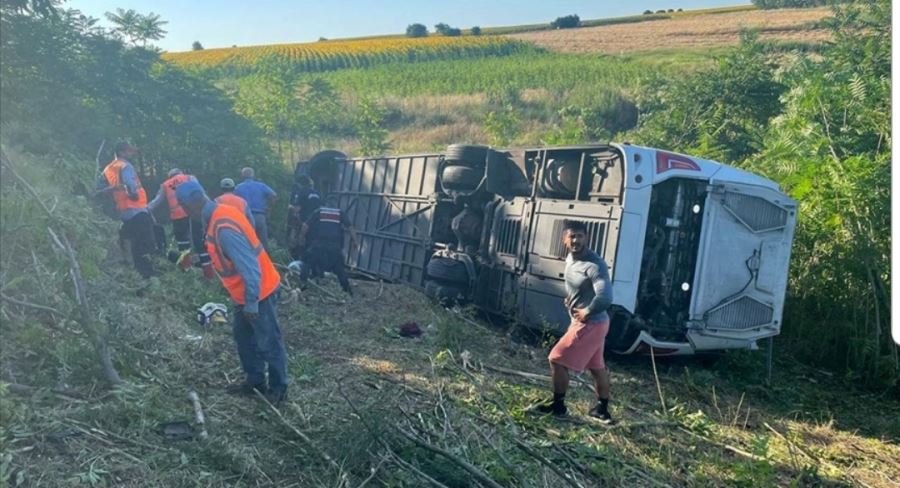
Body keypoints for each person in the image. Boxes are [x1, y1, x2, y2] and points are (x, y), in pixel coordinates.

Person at [176, 180, 289, 405]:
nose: (185, 213)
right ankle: (255, 382)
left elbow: (250, 268)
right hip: (245, 293)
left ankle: (279, 390)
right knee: (243, 337)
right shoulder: (218, 214)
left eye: (184, 208)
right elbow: (226, 257)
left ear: (192, 206)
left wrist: (251, 304)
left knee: (268, 341)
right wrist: (195, 260)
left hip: (258, 292)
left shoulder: (223, 227)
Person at [533, 220, 614, 423]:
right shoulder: (571, 258)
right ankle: (602, 410)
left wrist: (587, 310)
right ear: (564, 239)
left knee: (556, 359)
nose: (576, 240)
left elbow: (605, 298)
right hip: (596, 324)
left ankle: (558, 406)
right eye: (572, 236)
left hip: (591, 323)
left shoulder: (594, 264)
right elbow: (579, 286)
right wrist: (573, 299)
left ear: (587, 238)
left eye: (580, 236)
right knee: (596, 367)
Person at [96, 141, 156, 278]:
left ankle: (138, 275)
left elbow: (98, 191)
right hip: (138, 210)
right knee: (146, 244)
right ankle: (148, 275)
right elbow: (131, 186)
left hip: (124, 213)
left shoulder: (107, 169)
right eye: (129, 151)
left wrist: (113, 189)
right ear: (122, 152)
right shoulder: (126, 166)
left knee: (134, 244)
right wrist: (133, 194)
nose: (132, 153)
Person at [147, 168, 214, 279]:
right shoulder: (189, 177)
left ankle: (187, 269)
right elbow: (201, 193)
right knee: (200, 243)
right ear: (181, 172)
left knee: (183, 245)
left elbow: (157, 201)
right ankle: (208, 272)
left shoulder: (166, 184)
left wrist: (145, 209)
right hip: (194, 212)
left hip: (178, 217)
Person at [298, 196, 358, 295]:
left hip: (318, 245)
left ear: (325, 203)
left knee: (307, 262)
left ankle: (302, 283)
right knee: (339, 268)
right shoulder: (340, 213)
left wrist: (301, 238)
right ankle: (347, 291)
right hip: (334, 247)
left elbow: (305, 225)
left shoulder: (319, 211)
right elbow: (351, 227)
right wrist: (355, 241)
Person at [233, 167, 276, 250]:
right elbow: (273, 195)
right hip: (260, 216)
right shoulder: (261, 185)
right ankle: (263, 261)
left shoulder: (238, 188)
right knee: (263, 243)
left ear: (242, 176)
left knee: (247, 243)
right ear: (253, 175)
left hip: (245, 218)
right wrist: (269, 208)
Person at [288, 175, 320, 260]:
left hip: (304, 221)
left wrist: (290, 206)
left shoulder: (301, 192)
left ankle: (299, 260)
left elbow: (297, 209)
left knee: (300, 240)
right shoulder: (316, 193)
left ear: (299, 184)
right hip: (316, 222)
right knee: (311, 242)